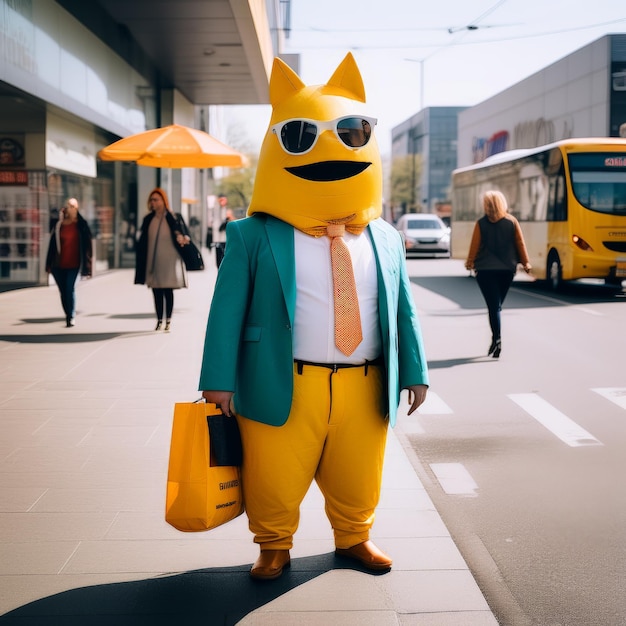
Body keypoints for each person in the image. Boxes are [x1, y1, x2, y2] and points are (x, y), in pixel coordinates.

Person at [198, 53, 429, 581]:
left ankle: (355, 536)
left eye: (352, 131)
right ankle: (273, 542)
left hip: (364, 382)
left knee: (360, 473)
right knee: (273, 474)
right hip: (284, 378)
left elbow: (403, 309)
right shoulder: (252, 235)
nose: (331, 146)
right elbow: (225, 312)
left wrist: (414, 370)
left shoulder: (385, 236)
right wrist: (218, 381)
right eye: (301, 134)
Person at [465, 190, 532, 358]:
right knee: (497, 306)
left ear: (486, 205)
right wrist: (526, 263)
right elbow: (520, 243)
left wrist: (469, 262)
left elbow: (475, 245)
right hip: (507, 271)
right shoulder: (512, 222)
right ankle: (496, 339)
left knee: (494, 307)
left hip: (485, 271)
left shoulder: (481, 223)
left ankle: (497, 339)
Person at [134, 188, 189, 332]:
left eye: (156, 199)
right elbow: (142, 239)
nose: (153, 202)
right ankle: (159, 319)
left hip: (169, 260)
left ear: (163, 200)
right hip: (152, 260)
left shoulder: (172, 217)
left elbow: (182, 232)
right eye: (151, 200)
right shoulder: (148, 219)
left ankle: (168, 320)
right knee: (156, 290)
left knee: (167, 290)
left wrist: (182, 237)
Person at [45, 197, 93, 327]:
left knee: (69, 288)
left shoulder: (81, 225)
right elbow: (52, 245)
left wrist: (88, 267)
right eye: (67, 206)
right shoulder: (58, 224)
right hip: (58, 265)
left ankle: (71, 315)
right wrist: (48, 264)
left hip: (74, 264)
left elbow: (88, 247)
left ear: (77, 208)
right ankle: (67, 312)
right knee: (63, 291)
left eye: (72, 206)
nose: (69, 209)